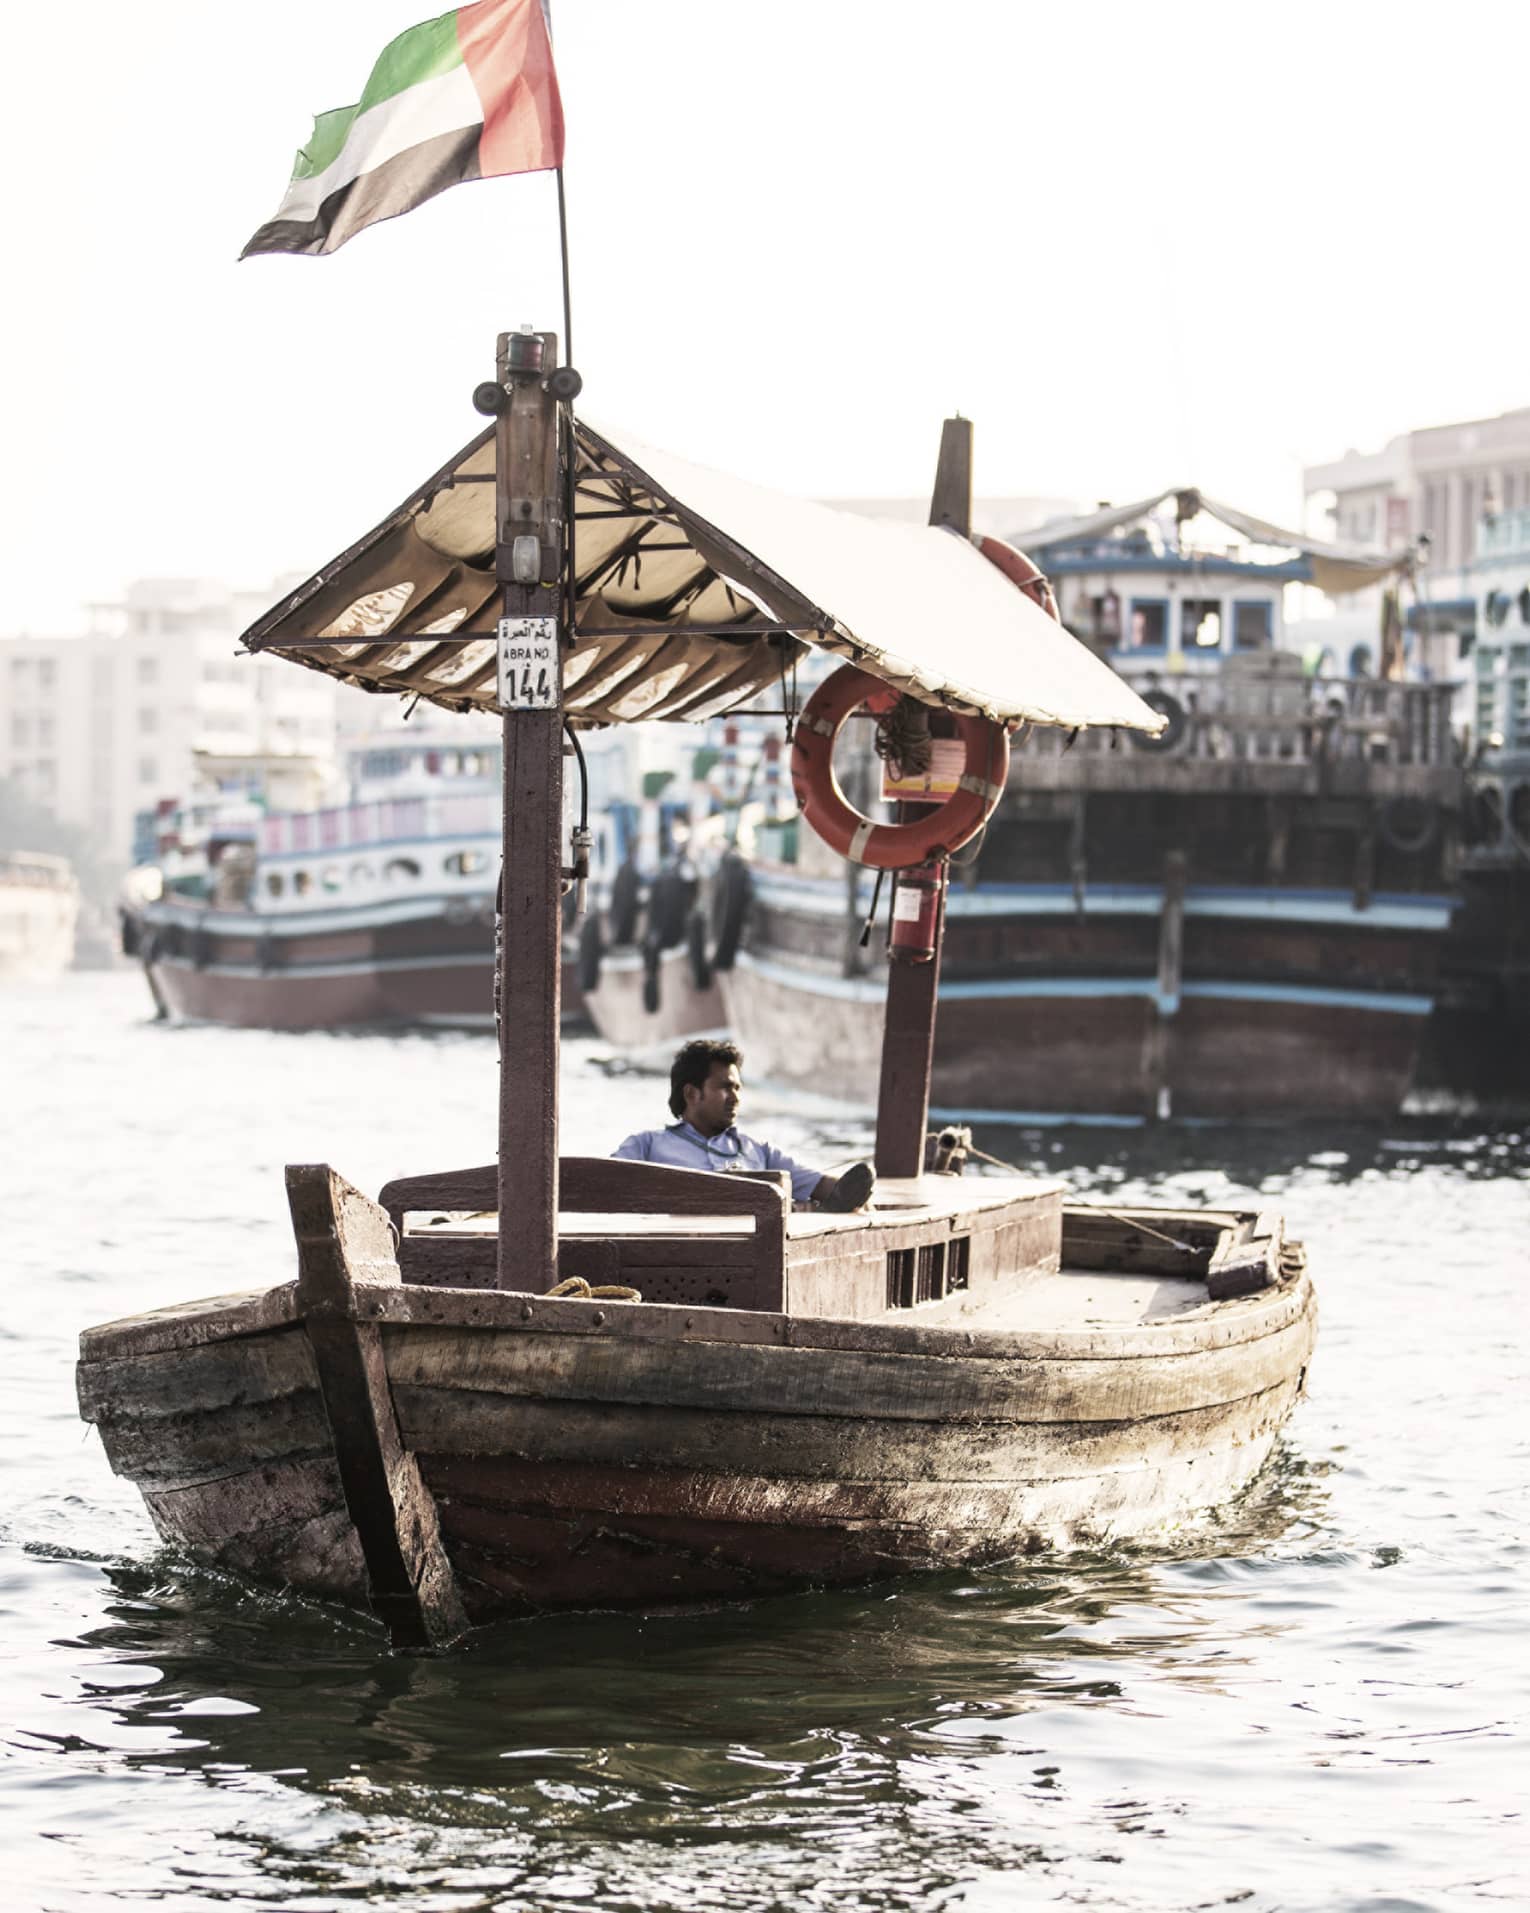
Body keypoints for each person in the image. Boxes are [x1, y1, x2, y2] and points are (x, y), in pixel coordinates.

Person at [612, 1038, 876, 1213]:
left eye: (737, 1088)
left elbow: (828, 1188)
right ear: (692, 1094)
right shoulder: (646, 1146)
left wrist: (855, 1192)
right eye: (725, 1087)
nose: (736, 1097)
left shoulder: (759, 1151)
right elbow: (604, 1186)